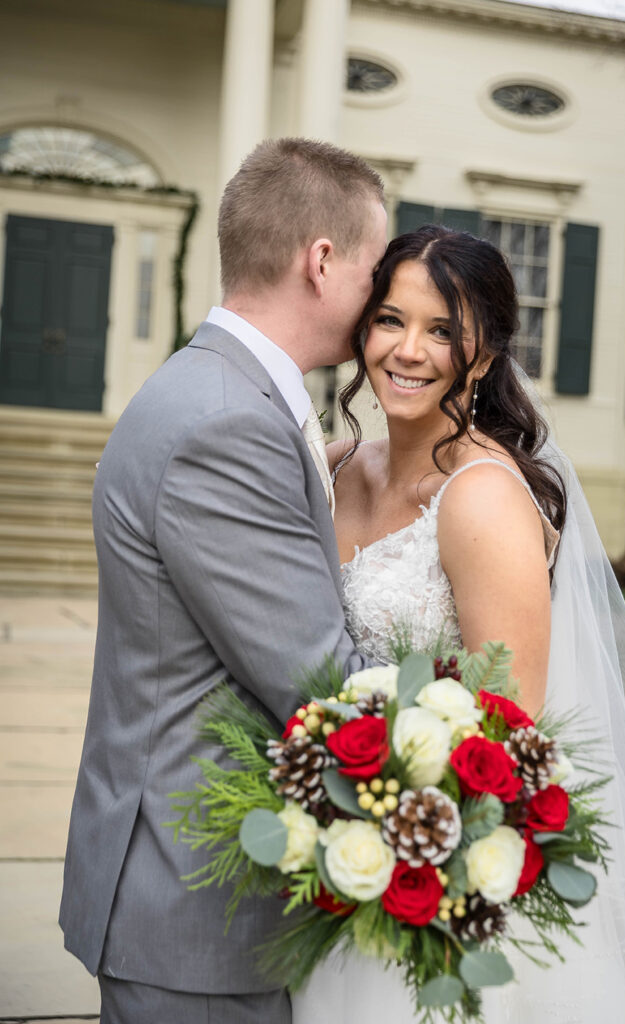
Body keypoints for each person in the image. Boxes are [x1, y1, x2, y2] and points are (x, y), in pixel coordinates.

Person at [292, 226, 625, 1024]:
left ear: (484, 353)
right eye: (390, 319)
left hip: (437, 874)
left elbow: (509, 730)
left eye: (442, 330)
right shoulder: (333, 466)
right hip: (333, 847)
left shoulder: (479, 496)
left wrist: (391, 833)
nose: (407, 350)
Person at [59, 136, 387, 1024]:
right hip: (194, 905)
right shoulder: (223, 425)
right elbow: (320, 682)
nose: (380, 297)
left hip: (188, 889)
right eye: (372, 267)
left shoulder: (221, 394)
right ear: (321, 262)